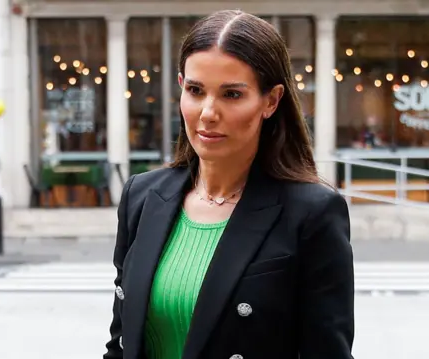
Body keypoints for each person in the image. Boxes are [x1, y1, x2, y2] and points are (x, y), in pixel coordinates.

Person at [103, 10, 355, 359]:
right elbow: (120, 343)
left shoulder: (311, 212)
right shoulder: (142, 197)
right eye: (195, 90)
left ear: (271, 100)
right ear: (180, 88)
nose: (207, 112)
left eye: (231, 95)